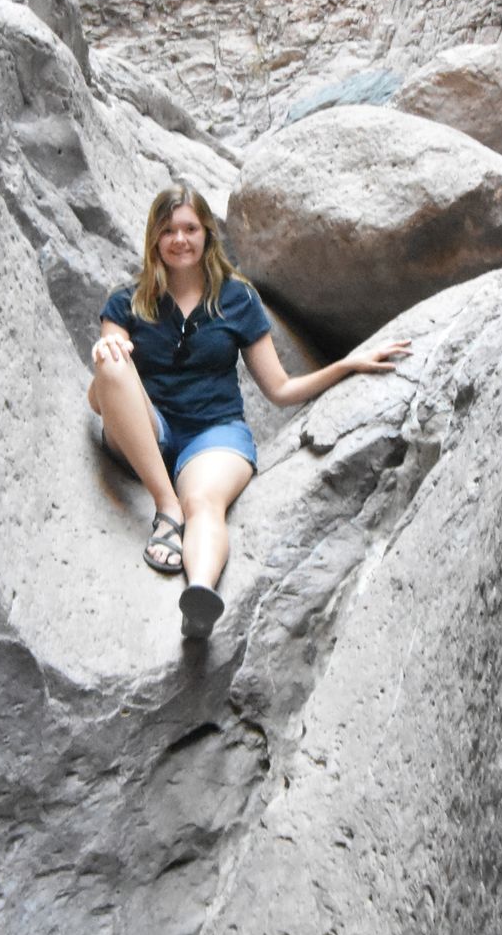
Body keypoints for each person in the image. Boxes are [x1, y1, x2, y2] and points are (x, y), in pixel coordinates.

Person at [90, 180, 410, 638]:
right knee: (112, 362)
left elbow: (279, 389)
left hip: (214, 433)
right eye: (168, 231)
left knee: (204, 501)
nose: (180, 240)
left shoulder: (237, 298)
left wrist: (345, 364)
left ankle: (198, 595)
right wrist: (110, 352)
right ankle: (166, 508)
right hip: (148, 431)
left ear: (206, 235)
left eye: (190, 229)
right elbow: (102, 389)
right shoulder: (127, 302)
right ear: (154, 239)